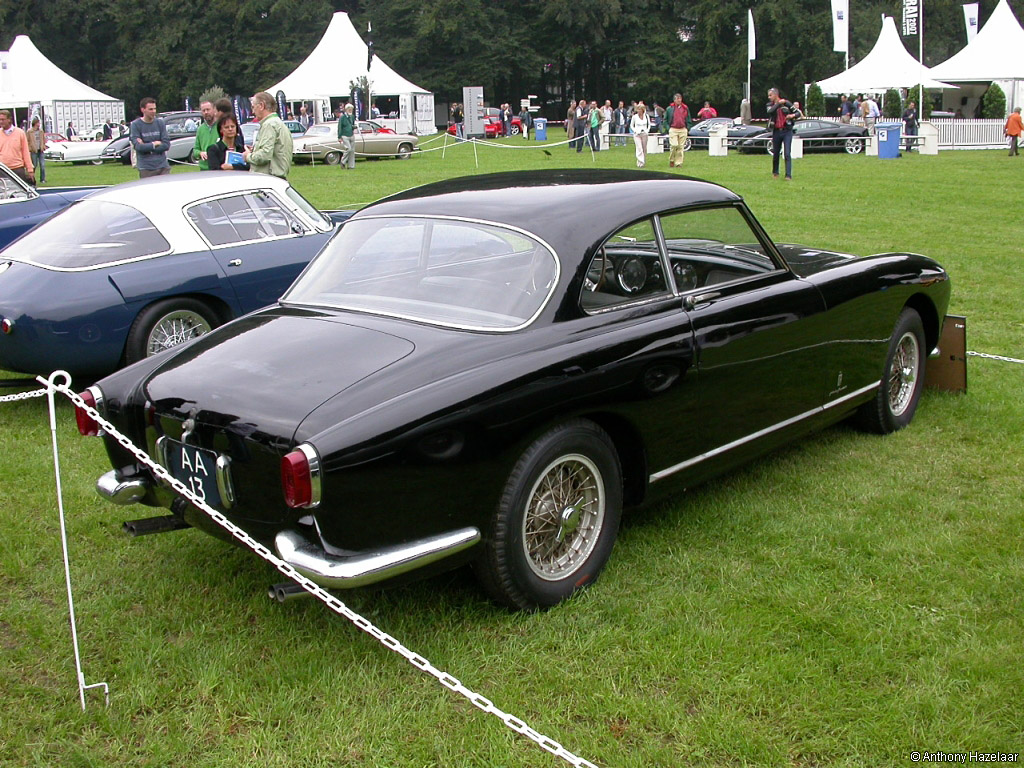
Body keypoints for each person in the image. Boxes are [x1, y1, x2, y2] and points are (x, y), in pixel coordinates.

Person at [244, 91, 293, 178]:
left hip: (269, 178)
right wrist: (255, 150)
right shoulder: (279, 123)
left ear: (261, 105)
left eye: (253, 107)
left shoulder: (269, 125)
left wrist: (248, 156)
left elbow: (265, 155)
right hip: (277, 177)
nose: (252, 112)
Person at [130, 97, 171, 178]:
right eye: (150, 109)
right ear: (143, 110)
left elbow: (166, 145)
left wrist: (147, 147)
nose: (154, 111)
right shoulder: (135, 125)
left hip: (163, 166)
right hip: (146, 168)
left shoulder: (160, 123)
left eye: (154, 109)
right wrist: (154, 144)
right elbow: (138, 147)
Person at [767, 87, 795, 180]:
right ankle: (775, 172)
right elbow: (770, 111)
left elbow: (798, 113)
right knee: (776, 153)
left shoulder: (786, 103)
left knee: (787, 153)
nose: (769, 97)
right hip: (776, 131)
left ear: (776, 95)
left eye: (771, 95)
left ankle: (788, 175)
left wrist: (792, 115)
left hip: (787, 131)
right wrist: (778, 104)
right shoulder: (770, 105)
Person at [0, 110, 35, 185]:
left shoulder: (19, 133)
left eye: (3, 119)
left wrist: (30, 170)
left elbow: (25, 152)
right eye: (0, 120)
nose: (1, 122)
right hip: (3, 170)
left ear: (9, 119)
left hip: (17, 169)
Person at [664, 93, 690, 167]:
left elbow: (688, 118)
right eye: (677, 98)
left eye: (680, 98)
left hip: (682, 129)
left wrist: (688, 127)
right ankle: (672, 159)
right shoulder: (669, 109)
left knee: (680, 147)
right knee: (674, 145)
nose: (679, 100)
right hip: (673, 129)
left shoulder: (685, 108)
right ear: (674, 100)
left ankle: (678, 163)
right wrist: (668, 128)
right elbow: (665, 120)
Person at [194, 100, 219, 171]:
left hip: (218, 168)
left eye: (208, 109)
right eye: (203, 110)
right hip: (204, 169)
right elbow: (195, 150)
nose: (206, 112)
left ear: (214, 110)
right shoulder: (200, 129)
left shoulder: (221, 126)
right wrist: (200, 153)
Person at [26, 117, 46, 185]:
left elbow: (43, 139)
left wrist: (43, 146)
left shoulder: (41, 131)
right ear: (35, 123)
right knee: (34, 165)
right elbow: (27, 141)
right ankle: (31, 179)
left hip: (40, 150)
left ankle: (43, 179)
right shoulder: (29, 131)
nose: (39, 124)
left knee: (42, 165)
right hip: (33, 151)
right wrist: (30, 148)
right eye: (38, 123)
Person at [630, 103, 651, 167]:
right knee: (639, 148)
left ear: (643, 110)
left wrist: (647, 131)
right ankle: (641, 161)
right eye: (638, 109)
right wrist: (635, 131)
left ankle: (641, 161)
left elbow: (649, 124)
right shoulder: (634, 117)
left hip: (644, 134)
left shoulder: (646, 116)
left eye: (640, 109)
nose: (638, 111)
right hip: (637, 134)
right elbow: (631, 125)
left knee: (644, 148)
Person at [337, 103, 356, 169]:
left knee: (352, 151)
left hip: (351, 134)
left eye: (351, 109)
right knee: (348, 149)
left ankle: (351, 166)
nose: (350, 110)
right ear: (346, 110)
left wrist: (354, 127)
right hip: (345, 135)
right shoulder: (342, 117)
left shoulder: (352, 116)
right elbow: (340, 127)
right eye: (349, 109)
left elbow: (352, 124)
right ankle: (343, 162)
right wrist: (339, 137)